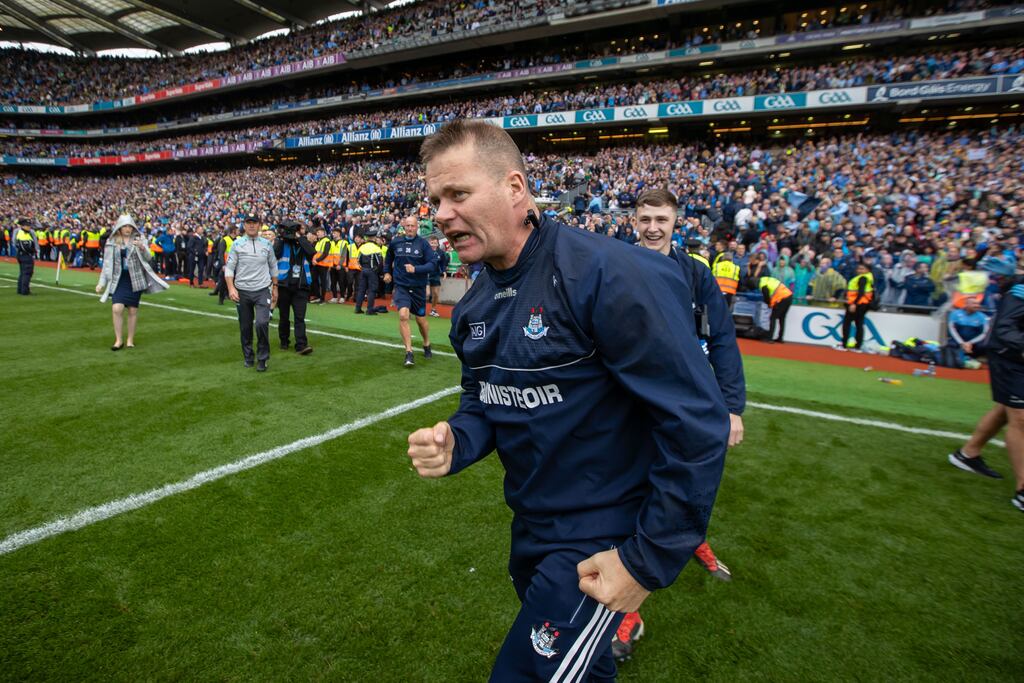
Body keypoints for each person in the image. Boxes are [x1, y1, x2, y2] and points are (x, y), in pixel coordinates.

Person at [405, 120, 728, 682]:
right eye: (434, 199)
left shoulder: (608, 274)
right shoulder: (476, 304)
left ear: (514, 188)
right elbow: (483, 399)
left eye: (458, 194)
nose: (440, 213)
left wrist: (644, 562)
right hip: (531, 527)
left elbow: (697, 421)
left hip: (600, 542)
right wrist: (458, 439)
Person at [619, 188, 747, 661]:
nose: (653, 226)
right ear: (633, 219)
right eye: (646, 217)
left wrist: (732, 407)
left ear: (677, 222)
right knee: (632, 496)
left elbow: (724, 339)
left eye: (662, 219)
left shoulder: (696, 273)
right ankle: (631, 607)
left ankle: (692, 538)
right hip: (625, 404)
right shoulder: (611, 262)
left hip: (682, 403)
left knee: (687, 486)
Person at [948, 277, 1024, 513]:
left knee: (1005, 410)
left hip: (1014, 356)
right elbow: (1004, 329)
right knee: (1020, 417)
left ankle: (968, 454)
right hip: (1011, 359)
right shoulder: (1021, 290)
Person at [94, 214, 168, 350]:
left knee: (133, 310)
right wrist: (101, 283)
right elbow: (107, 264)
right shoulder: (112, 242)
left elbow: (148, 258)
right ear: (119, 228)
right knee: (117, 308)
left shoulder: (139, 239)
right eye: (124, 226)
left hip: (135, 278)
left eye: (129, 226)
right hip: (118, 279)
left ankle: (130, 340)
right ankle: (118, 340)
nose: (127, 229)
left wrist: (142, 247)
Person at [225, 215, 278, 371]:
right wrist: (231, 288)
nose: (252, 226)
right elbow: (229, 268)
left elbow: (273, 266)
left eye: (254, 223)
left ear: (260, 225)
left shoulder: (267, 245)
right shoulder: (237, 244)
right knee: (245, 327)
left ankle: (263, 358)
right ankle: (248, 356)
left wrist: (275, 287)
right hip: (242, 291)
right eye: (249, 223)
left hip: (262, 290)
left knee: (262, 323)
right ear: (244, 225)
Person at [385, 215, 436, 366]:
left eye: (412, 226)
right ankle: (409, 352)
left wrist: (416, 269)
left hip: (418, 287)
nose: (410, 228)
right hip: (401, 286)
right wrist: (387, 272)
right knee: (403, 315)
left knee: (421, 320)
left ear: (417, 227)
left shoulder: (423, 244)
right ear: (403, 227)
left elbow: (433, 264)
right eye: (407, 226)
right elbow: (388, 259)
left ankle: (426, 342)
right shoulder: (396, 242)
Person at [273, 219, 316, 355]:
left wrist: (300, 237)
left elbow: (311, 252)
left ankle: (301, 345)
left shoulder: (302, 243)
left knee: (299, 317)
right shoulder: (281, 242)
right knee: (284, 316)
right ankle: (284, 340)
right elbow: (275, 254)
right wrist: (281, 237)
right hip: (284, 286)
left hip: (300, 286)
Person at [354, 231, 384, 315]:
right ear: (374, 238)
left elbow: (358, 259)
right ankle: (369, 310)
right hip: (372, 271)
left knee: (361, 290)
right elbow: (380, 262)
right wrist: (380, 273)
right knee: (372, 290)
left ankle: (358, 308)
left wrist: (362, 267)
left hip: (363, 270)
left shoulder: (362, 247)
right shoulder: (376, 248)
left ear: (367, 238)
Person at [759, 273, 794, 343]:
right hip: (789, 295)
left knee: (773, 318)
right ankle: (780, 338)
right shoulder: (768, 279)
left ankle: (770, 338)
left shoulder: (762, 283)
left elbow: (766, 295)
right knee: (782, 318)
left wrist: (769, 303)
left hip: (782, 298)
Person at [13, 218, 37, 296]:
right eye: (27, 225)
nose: (29, 227)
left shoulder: (23, 233)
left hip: (22, 255)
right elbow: (25, 246)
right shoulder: (23, 234)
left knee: (23, 272)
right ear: (23, 226)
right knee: (27, 272)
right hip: (25, 255)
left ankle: (20, 289)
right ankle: (25, 290)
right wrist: (32, 251)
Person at [428, 235, 449, 316]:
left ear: (438, 244)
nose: (433, 244)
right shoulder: (425, 251)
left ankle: (433, 309)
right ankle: (418, 308)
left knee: (436, 294)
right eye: (432, 243)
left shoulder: (441, 253)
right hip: (425, 274)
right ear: (429, 243)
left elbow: (443, 264)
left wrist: (444, 272)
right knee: (425, 293)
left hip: (435, 275)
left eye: (435, 243)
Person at [311, 225, 332, 304]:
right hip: (316, 264)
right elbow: (315, 253)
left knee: (323, 282)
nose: (317, 234)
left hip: (323, 265)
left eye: (319, 232)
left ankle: (323, 299)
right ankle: (317, 296)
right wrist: (314, 260)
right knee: (314, 280)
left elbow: (325, 253)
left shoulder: (327, 240)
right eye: (317, 232)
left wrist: (317, 260)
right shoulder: (318, 241)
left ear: (323, 232)